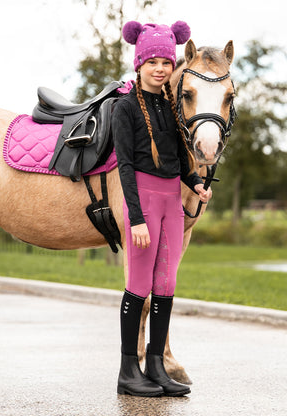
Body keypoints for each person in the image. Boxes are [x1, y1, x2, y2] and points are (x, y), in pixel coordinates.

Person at [112, 20, 212, 397]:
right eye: (151, 60)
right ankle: (127, 371)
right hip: (144, 203)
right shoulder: (125, 107)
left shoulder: (172, 108)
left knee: (165, 286)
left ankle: (155, 365)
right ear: (139, 63)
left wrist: (197, 185)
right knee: (138, 286)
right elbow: (124, 166)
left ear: (173, 66)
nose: (159, 68)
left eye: (165, 62)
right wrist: (135, 218)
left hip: (173, 202)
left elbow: (176, 161)